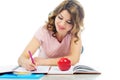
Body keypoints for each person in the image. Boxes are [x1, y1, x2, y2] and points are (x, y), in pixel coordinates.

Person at [18, 0, 85, 71]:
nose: (62, 24)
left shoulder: (75, 33)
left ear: (75, 24)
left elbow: (74, 59)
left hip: (64, 74)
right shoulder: (44, 31)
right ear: (56, 15)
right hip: (44, 73)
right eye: (60, 17)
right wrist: (26, 63)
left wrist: (43, 61)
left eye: (69, 22)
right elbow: (22, 58)